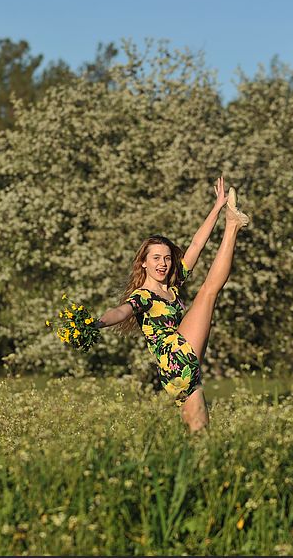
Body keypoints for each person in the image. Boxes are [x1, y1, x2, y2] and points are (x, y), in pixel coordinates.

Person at [96, 176, 250, 432]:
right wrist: (98, 322)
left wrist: (216, 206)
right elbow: (121, 311)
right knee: (209, 291)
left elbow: (197, 244)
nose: (163, 264)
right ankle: (232, 226)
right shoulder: (143, 296)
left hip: (176, 374)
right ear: (143, 262)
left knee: (200, 435)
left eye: (167, 258)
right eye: (156, 258)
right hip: (175, 356)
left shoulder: (172, 287)